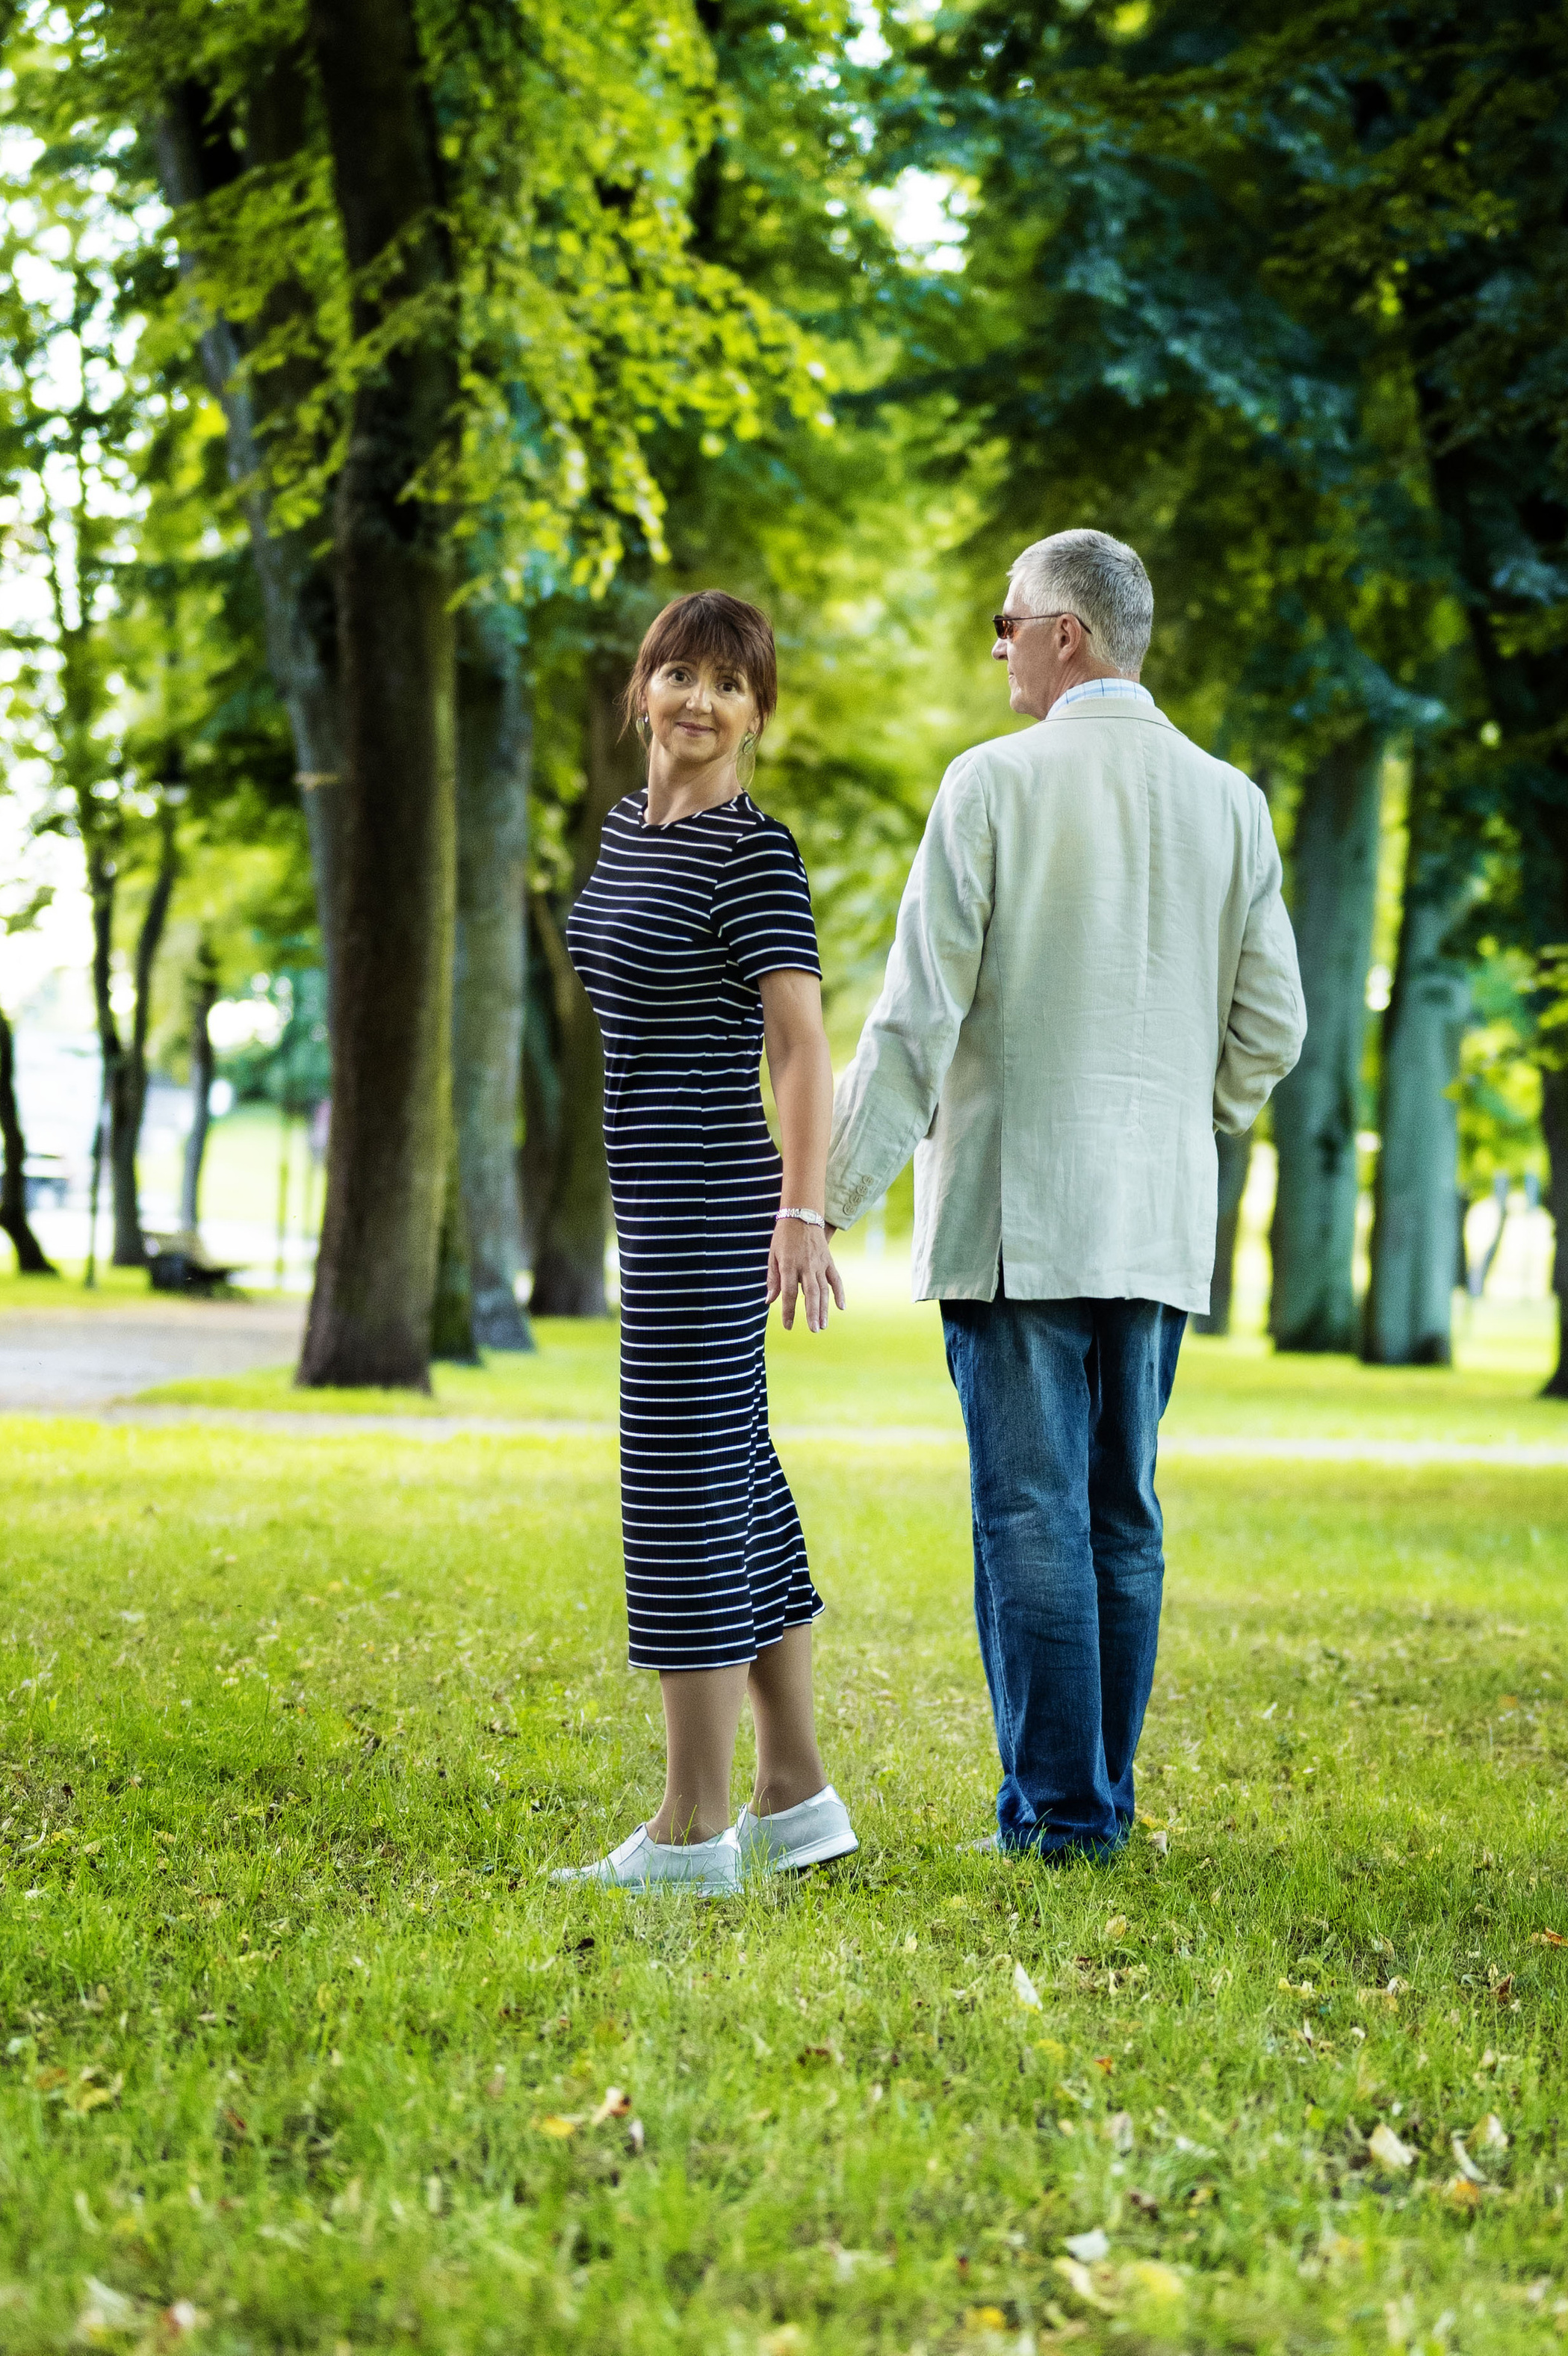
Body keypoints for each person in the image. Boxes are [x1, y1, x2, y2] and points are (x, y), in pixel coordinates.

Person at [825, 529, 1306, 1861]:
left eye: (1006, 622)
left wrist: (826, 1201)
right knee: (1121, 1517)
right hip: (1155, 1220)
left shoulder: (991, 786)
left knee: (1032, 1514)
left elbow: (915, 1022)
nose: (996, 648)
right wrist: (1183, 1126)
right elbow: (1273, 1026)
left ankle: (1061, 1822)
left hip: (1016, 1220)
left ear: (1066, 636)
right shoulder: (1232, 801)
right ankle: (1097, 1801)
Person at [554, 590, 857, 1895]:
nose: (698, 700)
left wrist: (803, 1208)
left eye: (729, 686)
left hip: (721, 1205)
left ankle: (692, 1826)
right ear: (642, 691)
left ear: (757, 714)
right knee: (734, 1472)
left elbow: (798, 1043)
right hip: (655, 1197)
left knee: (678, 1489)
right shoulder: (627, 833)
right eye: (678, 673)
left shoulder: (754, 853)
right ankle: (795, 1797)